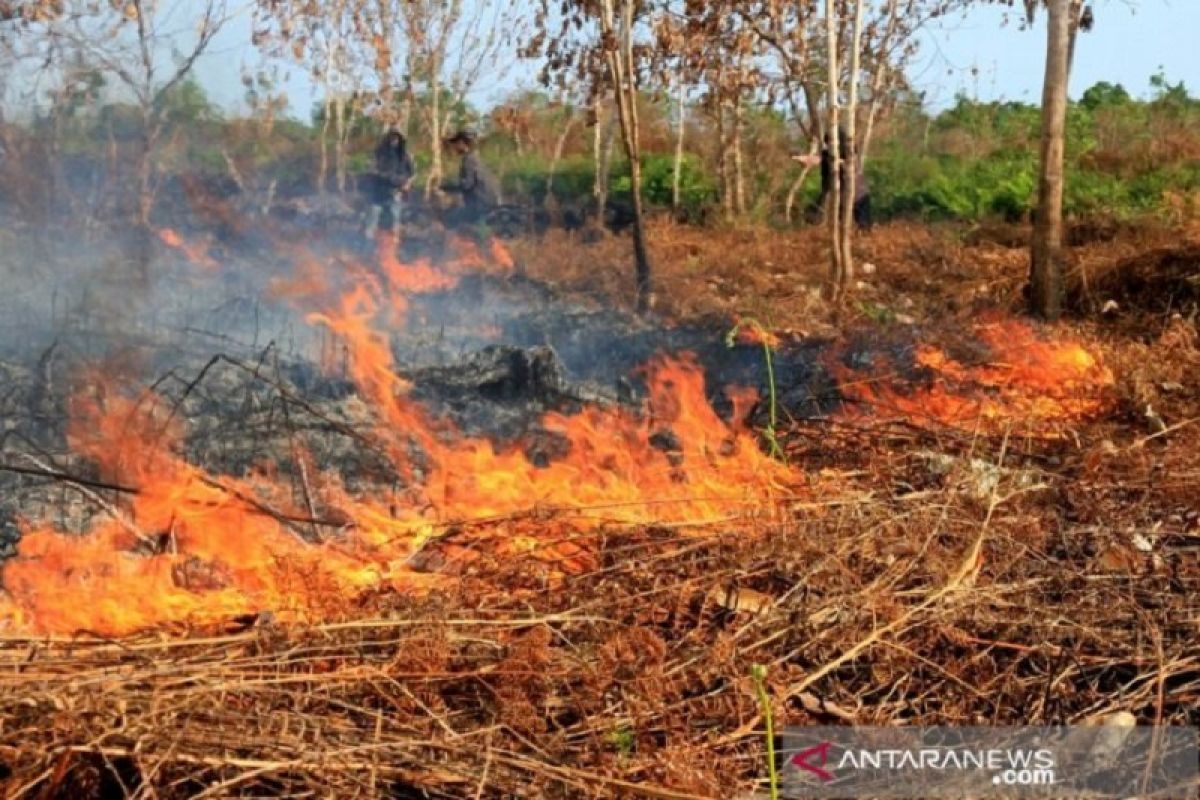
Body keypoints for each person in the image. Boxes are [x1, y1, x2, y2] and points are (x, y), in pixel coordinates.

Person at [363, 126, 415, 242]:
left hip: (396, 192)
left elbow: (412, 174)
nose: (394, 140)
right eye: (392, 137)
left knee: (395, 218)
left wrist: (406, 184)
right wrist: (383, 176)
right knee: (373, 217)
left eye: (397, 138)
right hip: (378, 191)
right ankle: (368, 244)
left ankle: (393, 246)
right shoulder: (379, 153)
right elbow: (370, 169)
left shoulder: (405, 156)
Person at [441, 129, 500, 230]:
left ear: (462, 143)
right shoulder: (475, 157)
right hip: (487, 203)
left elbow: (467, 184)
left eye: (455, 143)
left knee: (449, 219)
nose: (454, 147)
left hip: (480, 206)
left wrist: (447, 187)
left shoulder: (469, 159)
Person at [814, 128, 872, 229]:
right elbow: (818, 161)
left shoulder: (849, 150)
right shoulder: (828, 155)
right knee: (842, 223)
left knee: (863, 224)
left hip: (859, 193)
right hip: (846, 195)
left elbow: (847, 162)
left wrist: (835, 161)